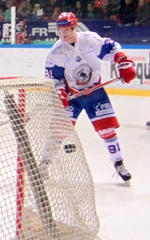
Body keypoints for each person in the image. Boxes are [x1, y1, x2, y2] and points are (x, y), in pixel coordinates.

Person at [44, 12, 136, 182]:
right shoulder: (56, 52)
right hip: (72, 95)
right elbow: (54, 78)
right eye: (60, 29)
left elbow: (113, 48)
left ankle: (119, 165)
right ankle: (44, 165)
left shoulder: (89, 39)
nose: (63, 33)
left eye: (66, 29)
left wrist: (123, 62)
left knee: (107, 130)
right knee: (59, 130)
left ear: (74, 27)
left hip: (95, 93)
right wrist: (60, 92)